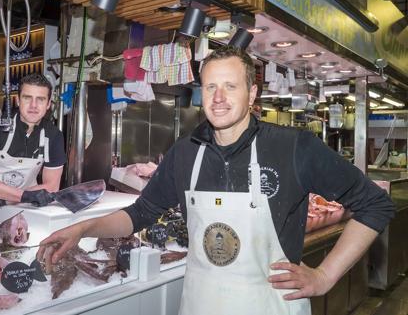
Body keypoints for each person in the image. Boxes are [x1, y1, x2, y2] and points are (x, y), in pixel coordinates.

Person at [37, 45, 394, 315]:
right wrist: (84, 229)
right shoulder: (185, 153)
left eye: (230, 87)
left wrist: (325, 277)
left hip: (269, 306)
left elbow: (374, 205)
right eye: (210, 88)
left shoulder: (293, 148)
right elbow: (140, 213)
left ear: (252, 94)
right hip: (200, 304)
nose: (219, 99)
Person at [0, 73, 66, 215]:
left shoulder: (53, 136)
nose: (33, 106)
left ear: (48, 104)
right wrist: (23, 196)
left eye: (40, 100)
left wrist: (6, 200)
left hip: (23, 211)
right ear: (18, 101)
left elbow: (52, 187)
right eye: (27, 98)